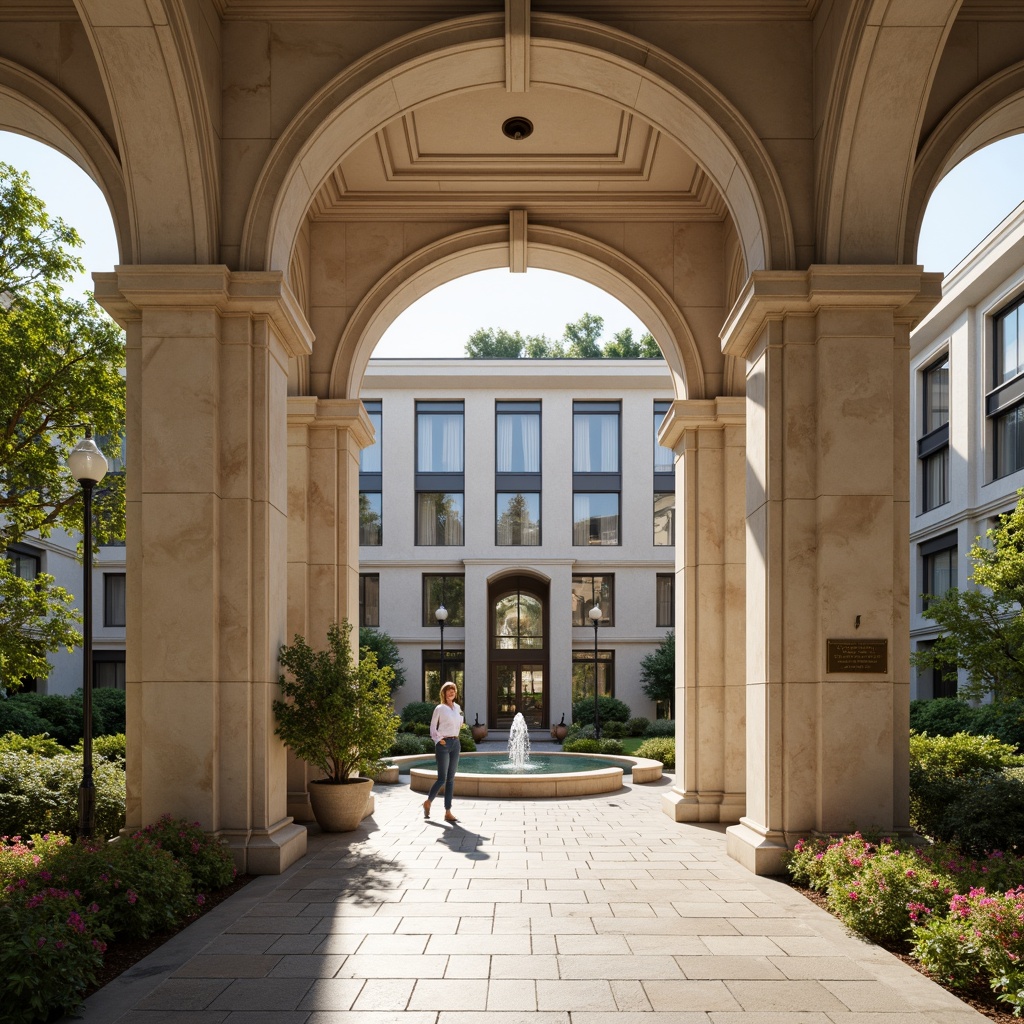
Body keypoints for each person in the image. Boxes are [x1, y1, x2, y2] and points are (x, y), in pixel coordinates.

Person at [423, 681, 463, 823]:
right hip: (444, 744)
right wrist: (438, 739)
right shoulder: (439, 708)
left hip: (455, 743)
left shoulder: (457, 708)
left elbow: (459, 723)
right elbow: (433, 726)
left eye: (453, 690)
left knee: (451, 779)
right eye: (449, 690)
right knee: (442, 778)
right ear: (444, 693)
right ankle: (428, 801)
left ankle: (448, 811)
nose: (452, 692)